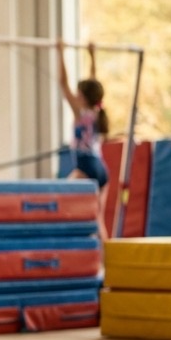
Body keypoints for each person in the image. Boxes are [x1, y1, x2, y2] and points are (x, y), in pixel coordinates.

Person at [57, 40, 109, 239]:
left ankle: (68, 242)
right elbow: (94, 84)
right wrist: (92, 56)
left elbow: (63, 84)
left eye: (78, 93)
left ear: (83, 97)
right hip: (101, 169)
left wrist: (60, 52)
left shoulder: (80, 112)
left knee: (60, 198)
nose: (75, 95)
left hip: (86, 167)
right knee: (98, 220)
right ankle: (107, 257)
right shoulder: (97, 111)